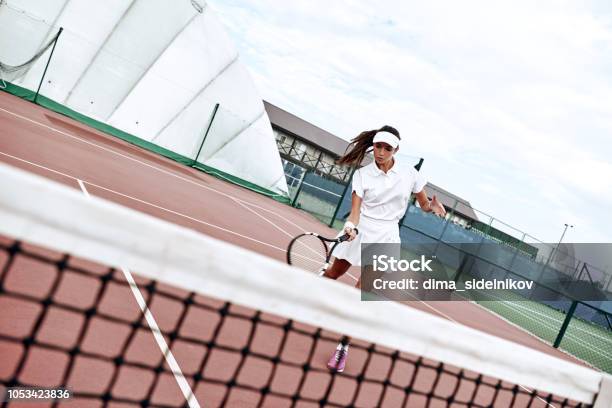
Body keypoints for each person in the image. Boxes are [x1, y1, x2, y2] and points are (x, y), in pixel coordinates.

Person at [323, 125, 446, 372]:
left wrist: (432, 208)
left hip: (387, 235)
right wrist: (350, 226)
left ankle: (342, 347)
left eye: (386, 148)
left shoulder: (410, 174)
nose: (380, 152)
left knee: (363, 295)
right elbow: (355, 210)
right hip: (361, 228)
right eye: (377, 146)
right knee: (333, 275)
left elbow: (422, 204)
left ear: (396, 149)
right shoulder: (363, 174)